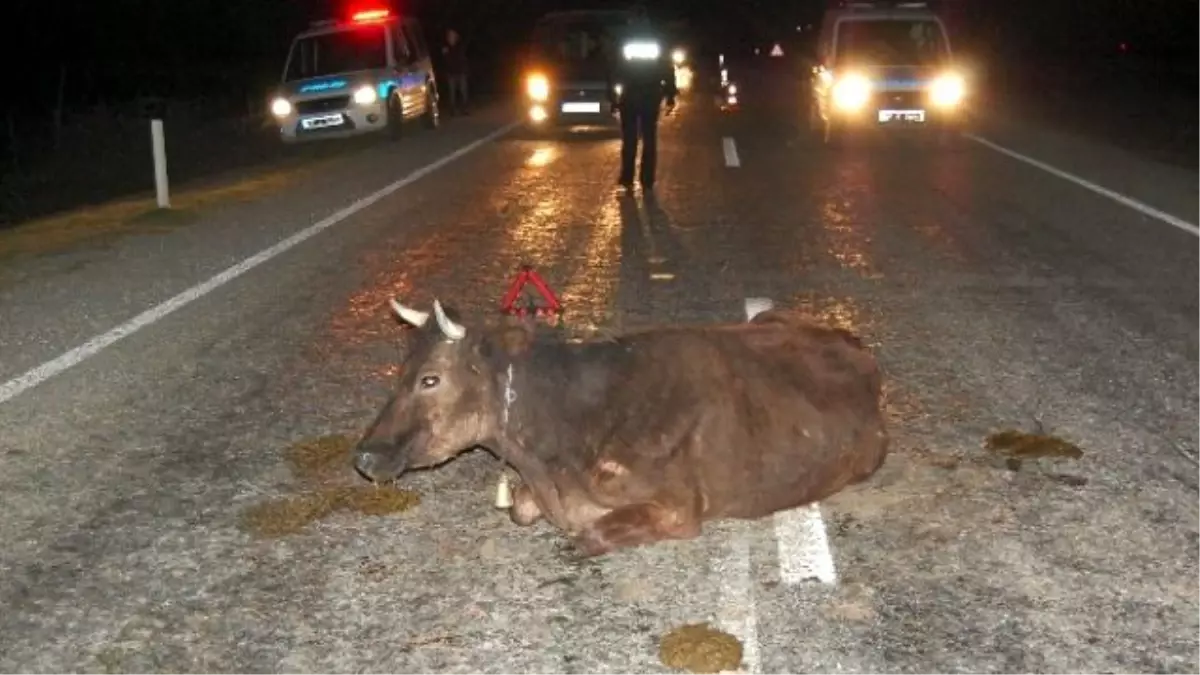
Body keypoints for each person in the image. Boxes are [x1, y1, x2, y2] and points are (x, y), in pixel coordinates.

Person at [609, 12, 677, 191]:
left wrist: (612, 97)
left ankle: (627, 177)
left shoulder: (625, 41)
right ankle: (647, 179)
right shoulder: (656, 41)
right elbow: (667, 69)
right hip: (651, 94)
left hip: (630, 94)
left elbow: (615, 69)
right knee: (649, 137)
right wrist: (670, 95)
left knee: (629, 138)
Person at [441, 28, 469, 115]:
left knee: (463, 91)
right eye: (449, 36)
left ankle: (464, 109)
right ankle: (452, 110)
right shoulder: (445, 48)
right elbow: (445, 61)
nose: (451, 38)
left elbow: (462, 58)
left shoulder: (460, 46)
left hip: (460, 71)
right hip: (451, 73)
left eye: (452, 36)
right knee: (452, 93)